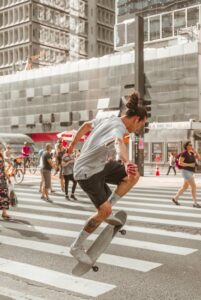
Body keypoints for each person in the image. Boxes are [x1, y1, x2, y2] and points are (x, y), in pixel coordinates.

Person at [68, 91, 147, 264]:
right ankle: (76, 246)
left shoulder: (110, 119)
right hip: (86, 172)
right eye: (141, 125)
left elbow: (86, 125)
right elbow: (118, 143)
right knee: (103, 212)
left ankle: (108, 208)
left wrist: (73, 144)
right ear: (136, 120)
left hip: (100, 166)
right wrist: (126, 161)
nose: (139, 129)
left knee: (133, 176)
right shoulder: (118, 128)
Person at [172, 141, 201, 208]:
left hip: (191, 172)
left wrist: (196, 152)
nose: (191, 146)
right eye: (190, 145)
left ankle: (175, 198)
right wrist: (190, 164)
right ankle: (195, 203)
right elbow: (180, 163)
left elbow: (199, 158)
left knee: (185, 187)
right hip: (186, 172)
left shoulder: (191, 153)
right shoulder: (184, 153)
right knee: (193, 186)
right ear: (186, 146)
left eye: (191, 145)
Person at [0, 152, 11, 220]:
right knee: (4, 196)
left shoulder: (2, 158)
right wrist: (8, 178)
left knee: (3, 196)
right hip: (2, 181)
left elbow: (3, 170)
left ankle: (4, 213)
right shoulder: (1, 159)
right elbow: (4, 171)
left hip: (2, 180)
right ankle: (4, 213)